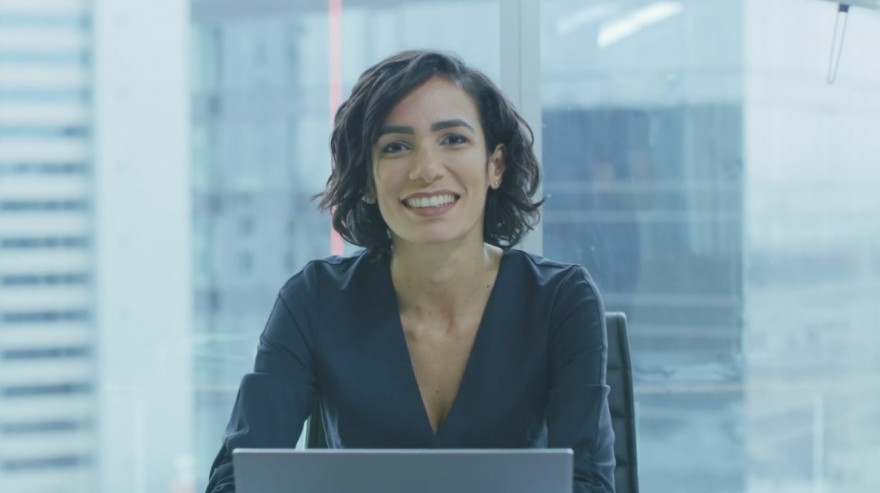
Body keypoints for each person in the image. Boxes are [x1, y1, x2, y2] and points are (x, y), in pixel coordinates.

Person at [205, 49, 615, 493]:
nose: (426, 170)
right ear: (366, 179)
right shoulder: (314, 300)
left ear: (495, 165)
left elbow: (588, 483)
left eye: (453, 139)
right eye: (396, 147)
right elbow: (236, 479)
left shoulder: (560, 300)